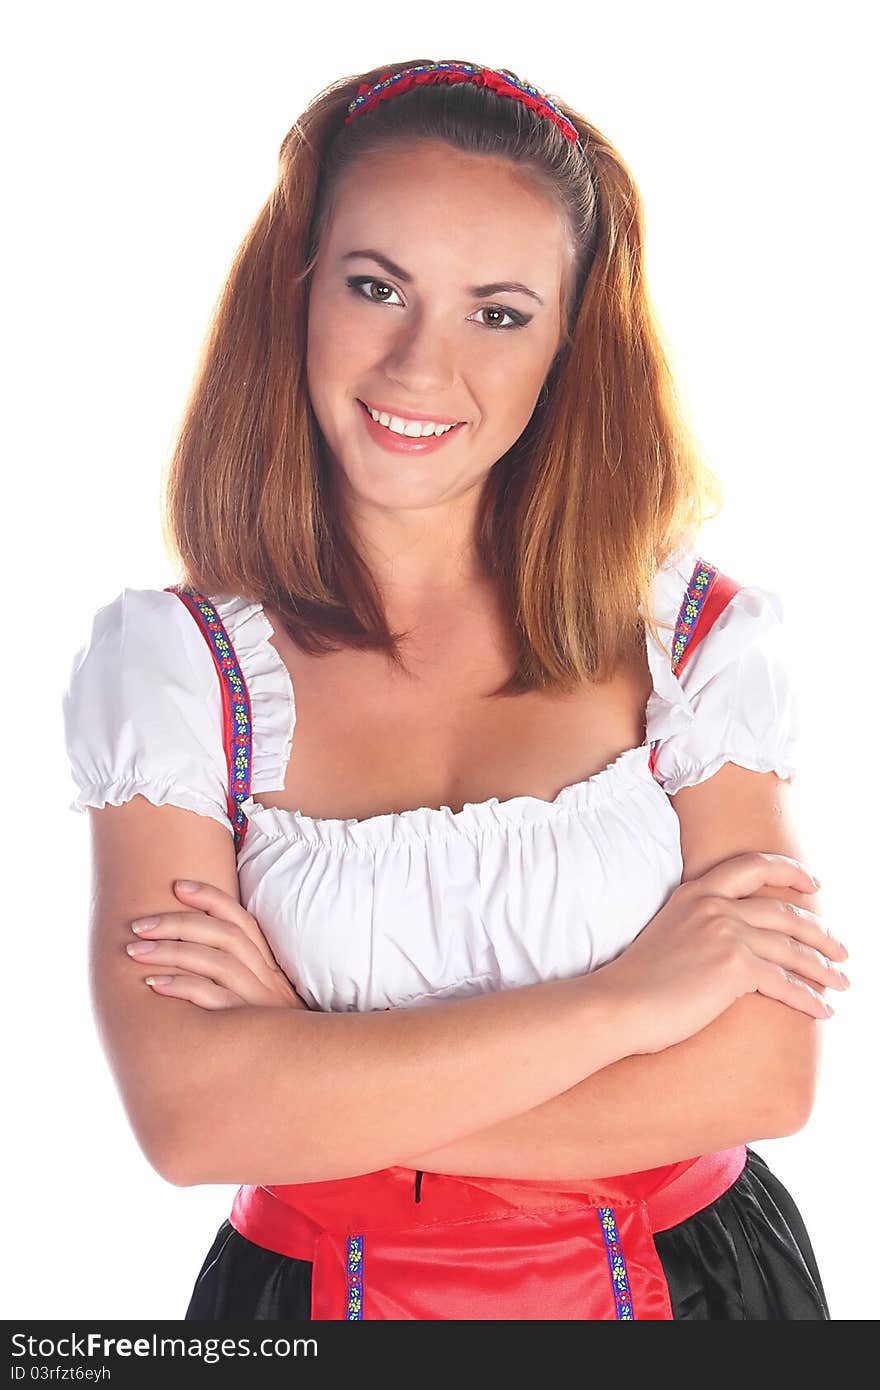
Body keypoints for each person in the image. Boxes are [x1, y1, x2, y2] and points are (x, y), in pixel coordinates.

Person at [62, 58, 844, 1320]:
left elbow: (761, 1081)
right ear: (296, 292)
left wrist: (318, 1072)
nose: (420, 365)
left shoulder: (691, 641)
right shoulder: (175, 671)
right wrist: (628, 1003)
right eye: (377, 287)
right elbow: (195, 1117)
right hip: (310, 1306)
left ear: (567, 345)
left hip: (691, 1294)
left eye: (499, 312)